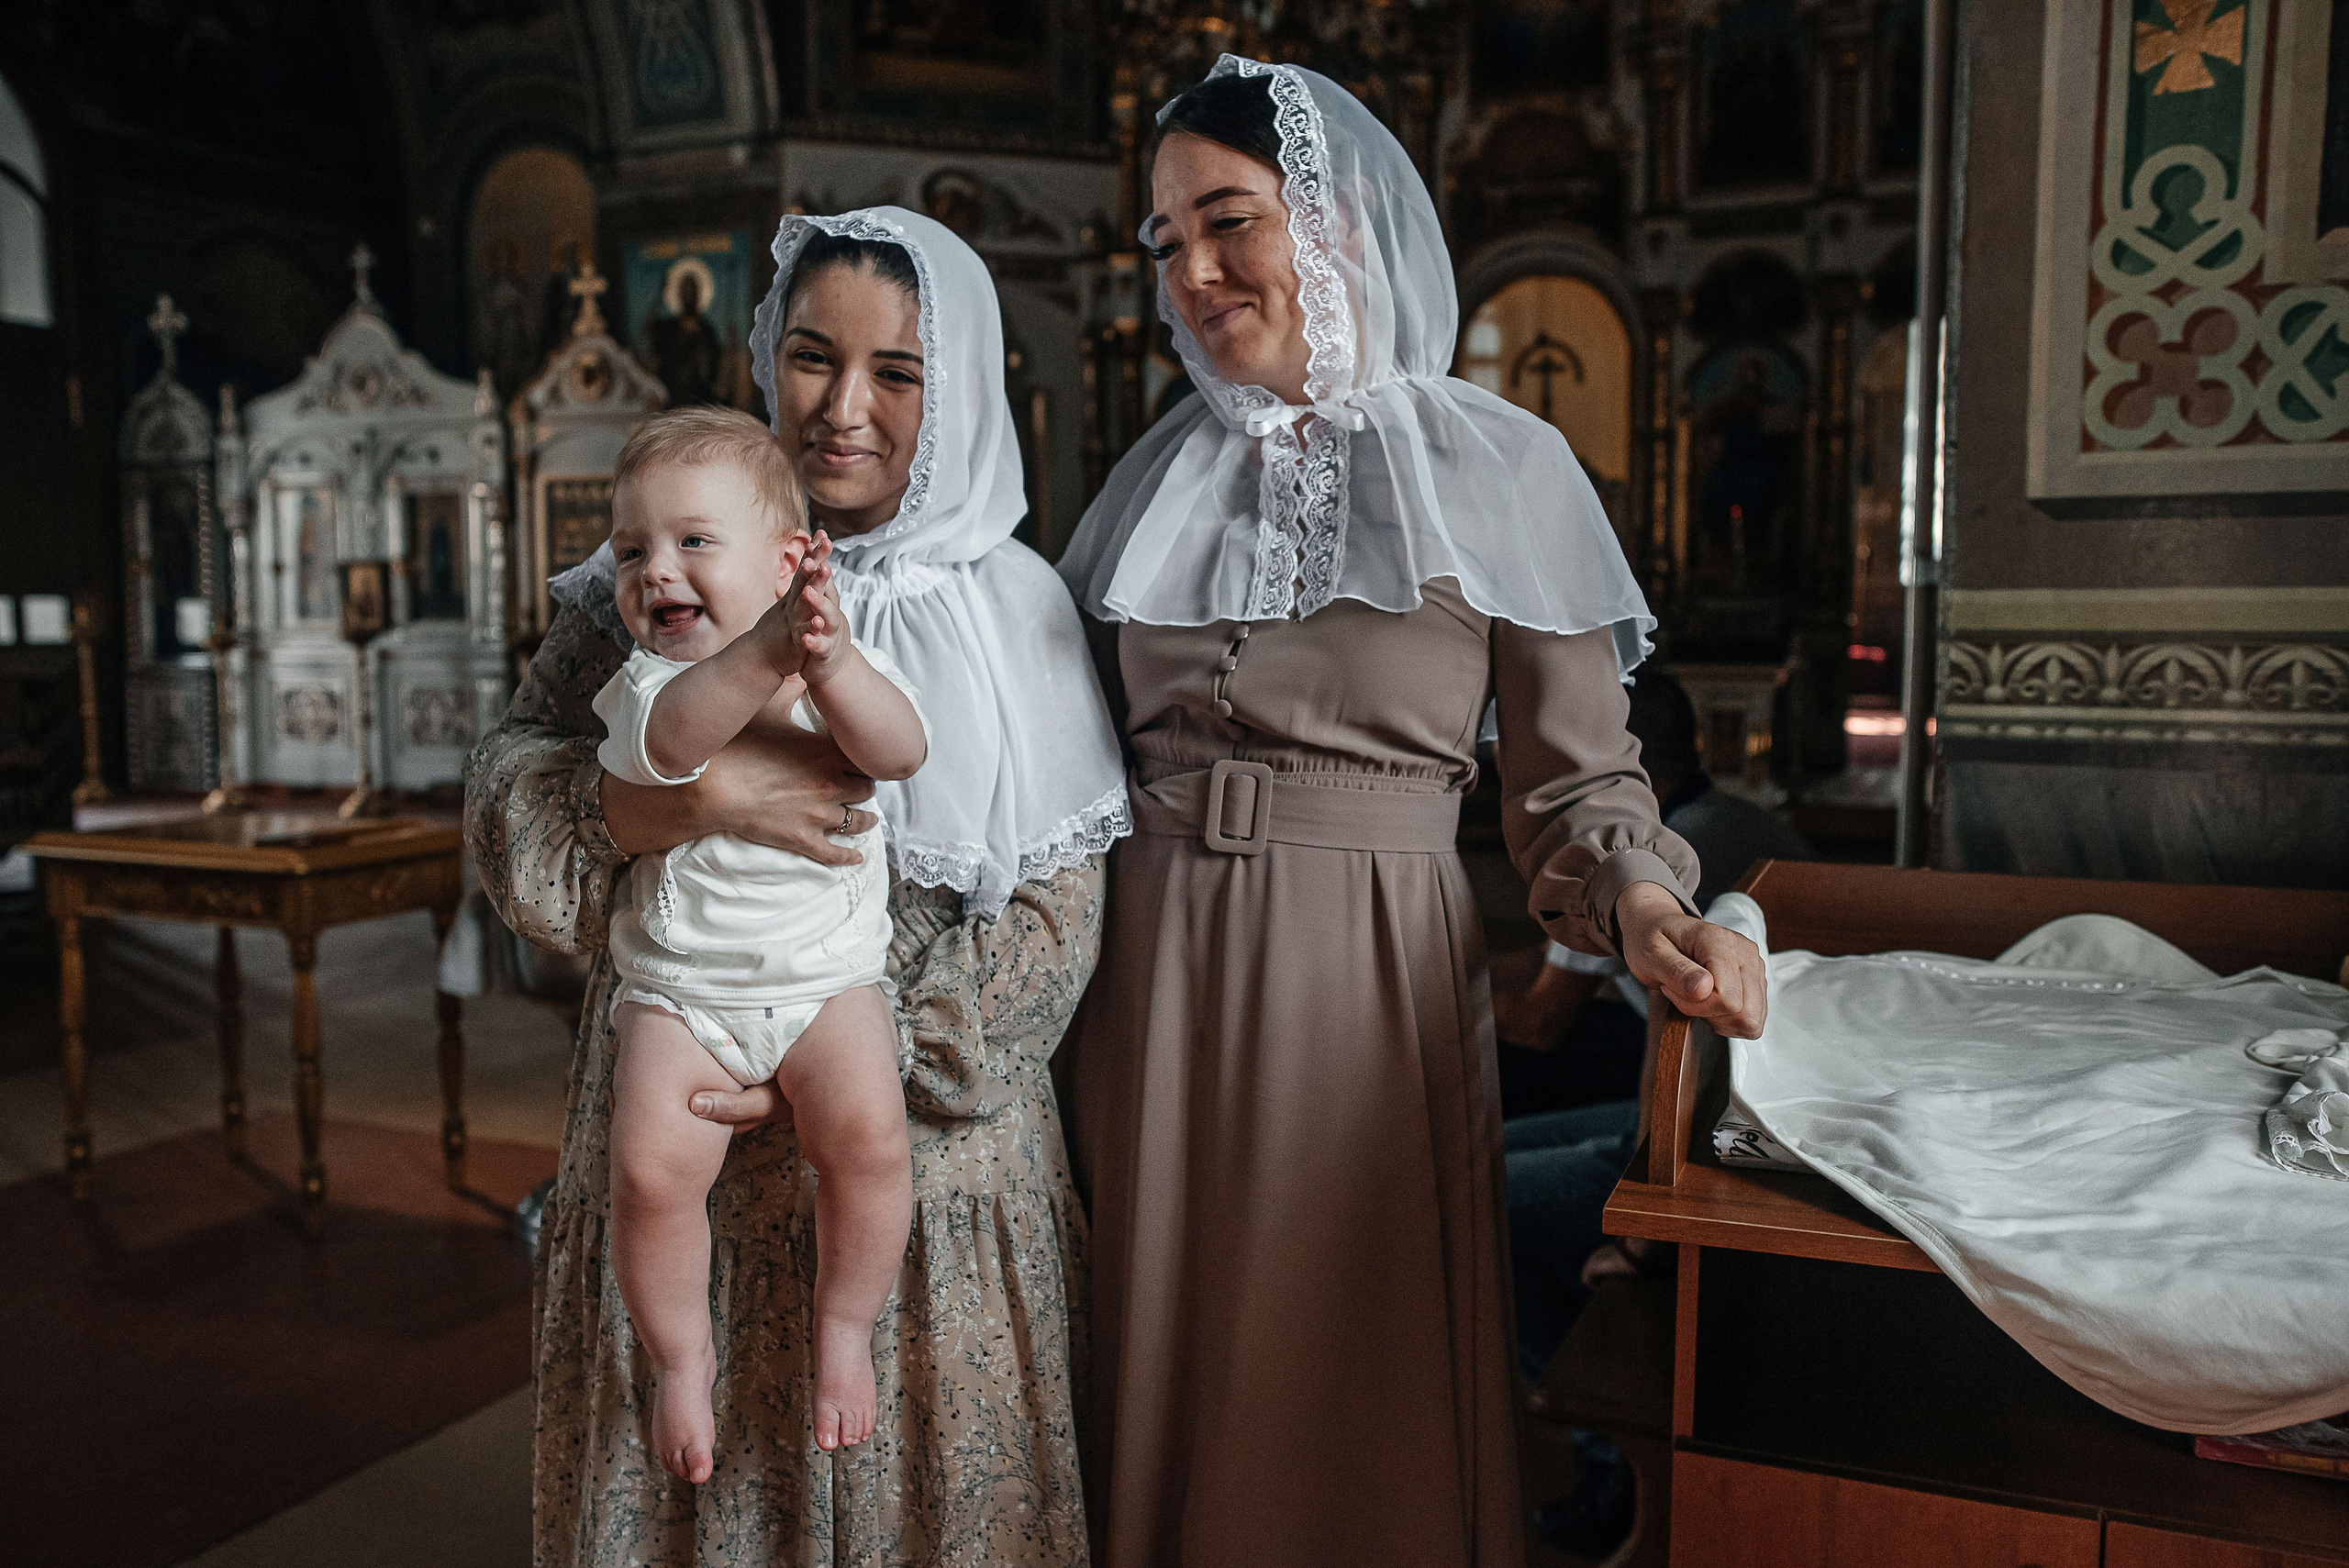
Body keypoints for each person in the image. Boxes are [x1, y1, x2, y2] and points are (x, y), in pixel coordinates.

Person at [1056, 58, 1767, 1567]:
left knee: (1336, 1365)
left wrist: (1647, 903)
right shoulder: (1152, 479)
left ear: (1341, 227)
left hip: (1361, 979)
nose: (1191, 272)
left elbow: (1578, 779)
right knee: (1147, 1358)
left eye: (1228, 221)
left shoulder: (1499, 465)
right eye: (1164, 241)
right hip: (1141, 981)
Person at [465, 206, 1128, 1564]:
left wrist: (860, 1043)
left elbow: (1061, 924)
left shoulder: (1020, 608)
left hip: (925, 1154)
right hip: (677, 1075)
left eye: (897, 373)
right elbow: (507, 798)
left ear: (959, 393)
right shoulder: (640, 580)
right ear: (767, 356)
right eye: (815, 357)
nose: (843, 408)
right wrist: (681, 804)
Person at [594, 407, 929, 1478]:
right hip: (681, 990)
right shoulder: (653, 682)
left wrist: (827, 667)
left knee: (871, 1143)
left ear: (789, 562)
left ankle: (845, 1328)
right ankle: (680, 1357)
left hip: (828, 979)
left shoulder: (826, 667)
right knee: (648, 1173)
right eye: (631, 550)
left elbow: (899, 750)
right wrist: (763, 648)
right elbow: (672, 746)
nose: (656, 570)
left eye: (693, 541)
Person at [1492, 665, 1817, 1108]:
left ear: (1612, 770)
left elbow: (1541, 1021)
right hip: (1769, 1063)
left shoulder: (1622, 850)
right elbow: (1547, 961)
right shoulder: (1729, 817)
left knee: (1500, 1140)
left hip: (1732, 1097)